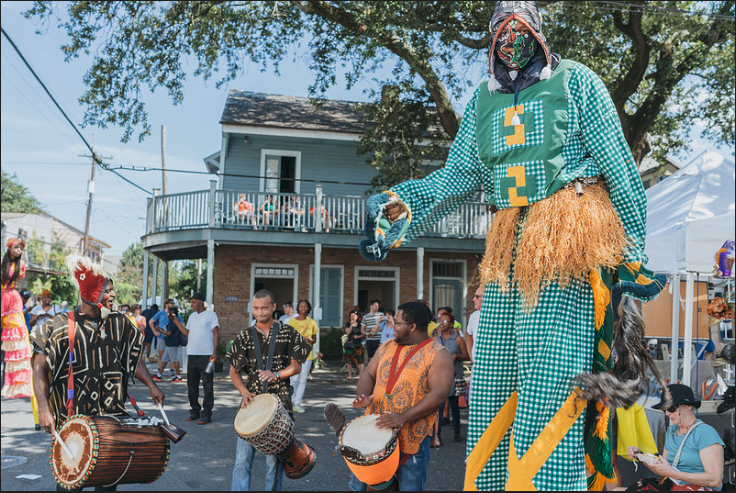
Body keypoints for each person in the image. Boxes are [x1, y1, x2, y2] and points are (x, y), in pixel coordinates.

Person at [360, 2, 666, 489]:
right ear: (490, 37)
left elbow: (619, 165)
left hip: (566, 238)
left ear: (540, 32)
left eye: (521, 25)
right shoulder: (483, 98)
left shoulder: (578, 80)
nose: (511, 36)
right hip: (508, 246)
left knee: (548, 386)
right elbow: (460, 174)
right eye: (502, 26)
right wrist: (406, 204)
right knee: (492, 385)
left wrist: (636, 256)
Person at [30, 256, 164, 471]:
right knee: (72, 478)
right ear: (91, 293)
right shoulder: (57, 326)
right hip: (72, 419)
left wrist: (152, 384)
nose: (113, 294)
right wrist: (44, 410)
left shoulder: (119, 323)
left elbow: (134, 358)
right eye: (108, 290)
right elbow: (38, 368)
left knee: (108, 476)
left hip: (111, 416)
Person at [350, 301, 453, 491]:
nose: (392, 327)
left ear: (412, 326)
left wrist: (402, 417)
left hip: (411, 437)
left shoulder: (438, 353)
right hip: (374, 432)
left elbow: (439, 394)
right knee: (361, 486)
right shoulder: (387, 346)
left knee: (409, 488)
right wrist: (363, 395)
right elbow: (368, 374)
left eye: (397, 323)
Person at [227, 289, 311, 491]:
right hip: (252, 405)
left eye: (264, 307)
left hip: (280, 406)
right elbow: (233, 372)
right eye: (256, 308)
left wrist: (278, 374)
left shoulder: (288, 331)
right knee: (241, 462)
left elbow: (297, 366)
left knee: (274, 464)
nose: (260, 312)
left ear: (274, 307)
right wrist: (244, 393)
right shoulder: (246, 335)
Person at [624, 384, 724, 491]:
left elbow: (715, 480)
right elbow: (663, 470)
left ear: (689, 405)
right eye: (664, 409)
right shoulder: (671, 432)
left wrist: (673, 474)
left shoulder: (705, 432)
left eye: (671, 408)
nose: (667, 413)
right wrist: (639, 456)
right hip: (671, 486)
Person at [180, 292, 219, 425]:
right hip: (192, 354)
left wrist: (214, 351)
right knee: (191, 385)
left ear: (200, 302)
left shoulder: (211, 315)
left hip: (206, 355)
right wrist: (176, 323)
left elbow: (215, 332)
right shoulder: (192, 316)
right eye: (191, 302)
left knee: (207, 385)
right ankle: (194, 411)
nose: (191, 305)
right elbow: (187, 333)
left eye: (193, 302)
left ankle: (206, 413)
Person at [1, 237, 32, 399]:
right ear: (9, 247)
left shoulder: (21, 264)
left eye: (21, 247)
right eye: (16, 247)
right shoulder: (1, 261)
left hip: (12, 299)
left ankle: (19, 381)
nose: (19, 249)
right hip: (1, 296)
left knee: (18, 335)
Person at [433, 313, 469, 445]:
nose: (442, 323)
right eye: (440, 321)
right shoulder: (437, 339)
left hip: (456, 376)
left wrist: (456, 356)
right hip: (440, 377)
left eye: (445, 321)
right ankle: (437, 435)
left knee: (455, 405)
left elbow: (467, 356)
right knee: (439, 406)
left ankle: (457, 432)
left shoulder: (458, 339)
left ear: (452, 324)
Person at [287, 299, 318, 413]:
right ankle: (289, 401)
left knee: (303, 379)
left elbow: (314, 340)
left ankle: (297, 403)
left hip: (307, 354)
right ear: (298, 308)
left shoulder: (312, 322)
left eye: (305, 306)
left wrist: (309, 339)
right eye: (301, 306)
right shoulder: (292, 322)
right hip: (295, 353)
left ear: (308, 308)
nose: (303, 308)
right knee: (294, 379)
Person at [150, 299, 178, 381]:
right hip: (162, 338)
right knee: (162, 356)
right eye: (171, 303)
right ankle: (159, 373)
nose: (173, 304)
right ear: (166, 304)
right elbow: (151, 322)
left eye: (173, 303)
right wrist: (155, 332)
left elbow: (181, 324)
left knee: (171, 357)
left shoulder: (175, 314)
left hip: (171, 338)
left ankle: (172, 374)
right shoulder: (161, 313)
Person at [157, 305, 185, 383]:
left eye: (168, 313)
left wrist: (160, 330)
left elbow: (169, 333)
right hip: (169, 344)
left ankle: (178, 376)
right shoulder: (170, 322)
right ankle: (159, 374)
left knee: (174, 360)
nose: (167, 314)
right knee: (164, 359)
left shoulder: (172, 323)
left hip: (172, 343)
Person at [343, 309, 365, 380]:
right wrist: (351, 325)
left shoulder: (360, 324)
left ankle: (361, 374)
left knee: (360, 360)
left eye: (354, 316)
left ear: (357, 317)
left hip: (358, 344)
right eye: (351, 316)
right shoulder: (348, 324)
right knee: (349, 360)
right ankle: (350, 375)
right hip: (350, 344)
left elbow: (363, 334)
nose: (352, 317)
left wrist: (358, 336)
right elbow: (348, 332)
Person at [465, 287, 483, 362]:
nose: (473, 299)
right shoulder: (474, 316)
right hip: (476, 365)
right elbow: (468, 334)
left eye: (477, 296)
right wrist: (471, 355)